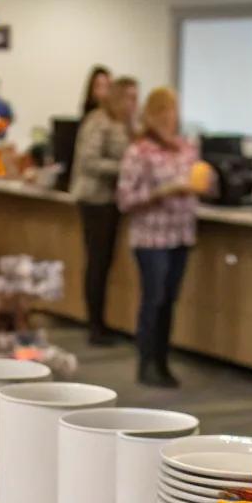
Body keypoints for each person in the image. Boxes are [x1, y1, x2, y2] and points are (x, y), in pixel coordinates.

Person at [118, 87, 199, 388]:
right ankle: (146, 363)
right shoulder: (138, 151)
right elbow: (124, 199)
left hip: (181, 234)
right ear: (151, 116)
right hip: (150, 238)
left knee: (169, 301)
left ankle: (163, 361)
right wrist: (160, 192)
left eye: (173, 111)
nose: (169, 118)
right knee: (154, 299)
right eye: (163, 112)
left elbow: (201, 179)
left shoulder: (185, 147)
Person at [71, 75, 139, 345]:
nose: (135, 103)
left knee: (106, 262)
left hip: (113, 201)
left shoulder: (126, 125)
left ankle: (102, 321)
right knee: (97, 262)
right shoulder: (98, 121)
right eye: (131, 97)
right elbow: (89, 162)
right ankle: (95, 324)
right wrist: (126, 169)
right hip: (94, 199)